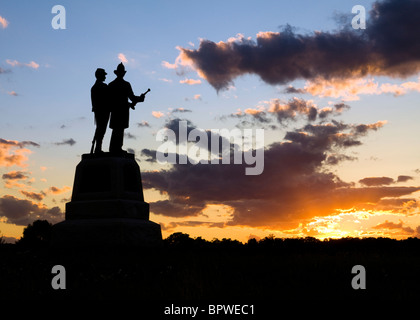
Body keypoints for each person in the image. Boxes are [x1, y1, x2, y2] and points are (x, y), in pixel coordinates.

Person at [108, 63, 145, 154]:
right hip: (121, 110)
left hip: (117, 110)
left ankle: (115, 148)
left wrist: (138, 99)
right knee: (119, 129)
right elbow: (132, 97)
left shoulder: (111, 84)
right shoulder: (125, 84)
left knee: (118, 130)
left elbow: (131, 98)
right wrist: (139, 99)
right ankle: (116, 148)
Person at [90, 68, 110, 154]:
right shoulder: (102, 86)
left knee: (100, 130)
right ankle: (97, 148)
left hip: (99, 111)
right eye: (104, 75)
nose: (105, 76)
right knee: (101, 130)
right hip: (103, 111)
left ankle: (97, 148)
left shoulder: (94, 87)